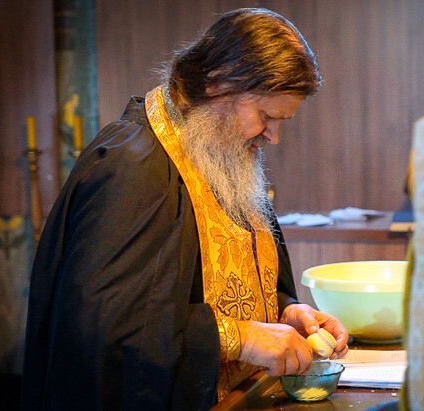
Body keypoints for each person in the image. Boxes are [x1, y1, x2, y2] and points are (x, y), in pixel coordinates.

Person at [22, 8, 349, 410]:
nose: (274, 137)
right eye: (266, 116)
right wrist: (243, 339)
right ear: (217, 84)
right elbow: (107, 332)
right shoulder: (133, 166)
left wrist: (285, 312)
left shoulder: (219, 152)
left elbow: (232, 284)